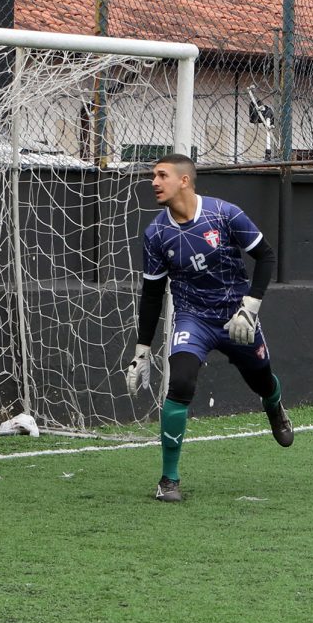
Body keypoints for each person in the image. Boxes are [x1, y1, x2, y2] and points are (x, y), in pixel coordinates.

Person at [124, 153, 292, 503]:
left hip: (237, 318)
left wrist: (250, 306)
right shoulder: (156, 233)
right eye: (153, 176)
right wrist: (143, 348)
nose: (154, 182)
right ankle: (168, 480)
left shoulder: (224, 213)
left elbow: (266, 257)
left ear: (184, 180)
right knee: (181, 382)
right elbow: (152, 293)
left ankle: (274, 406)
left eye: (161, 175)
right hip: (192, 318)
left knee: (262, 379)